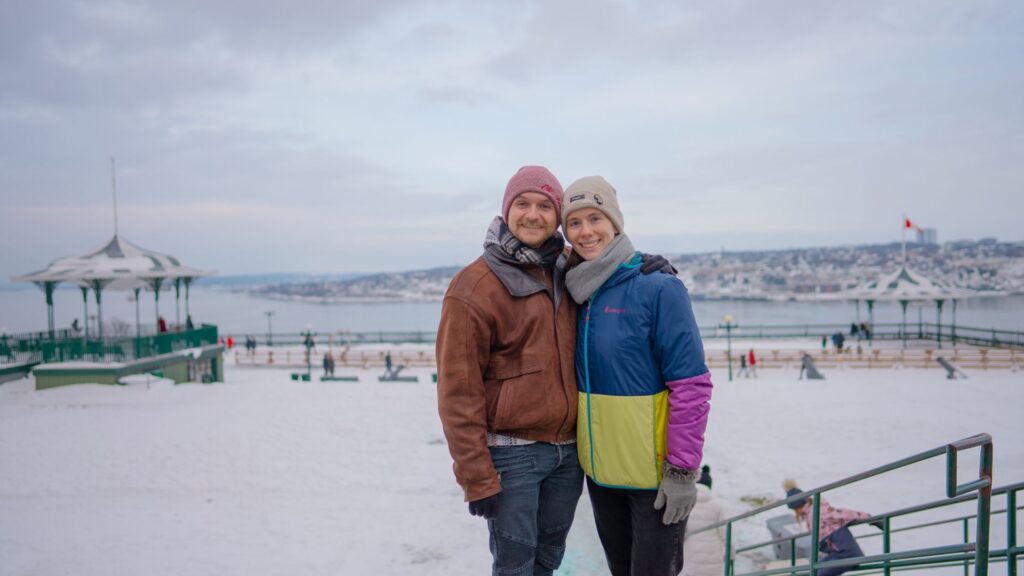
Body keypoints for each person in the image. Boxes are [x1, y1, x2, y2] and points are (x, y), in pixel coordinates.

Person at [436, 166, 583, 576]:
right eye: (522, 204)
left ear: (557, 217)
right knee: (515, 567)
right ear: (506, 211)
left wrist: (644, 266)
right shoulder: (473, 287)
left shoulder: (570, 271)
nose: (532, 214)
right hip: (511, 457)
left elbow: (613, 267)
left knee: (548, 562)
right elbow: (457, 395)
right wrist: (476, 477)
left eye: (544, 206)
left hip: (569, 455)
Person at [562, 175, 713, 576]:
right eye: (574, 223)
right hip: (602, 475)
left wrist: (682, 471)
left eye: (595, 217)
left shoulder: (659, 288)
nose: (586, 231)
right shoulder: (577, 290)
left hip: (653, 478)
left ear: (615, 222)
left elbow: (691, 386)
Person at [783, 479, 882, 576]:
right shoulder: (810, 513)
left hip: (847, 555)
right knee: (813, 570)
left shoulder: (818, 511)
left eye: (794, 510)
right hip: (837, 554)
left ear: (797, 507)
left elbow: (843, 513)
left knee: (818, 574)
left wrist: (870, 518)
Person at [682, 466, 726, 576]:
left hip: (689, 557)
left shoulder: (684, 504)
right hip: (713, 557)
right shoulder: (717, 506)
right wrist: (731, 554)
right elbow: (725, 533)